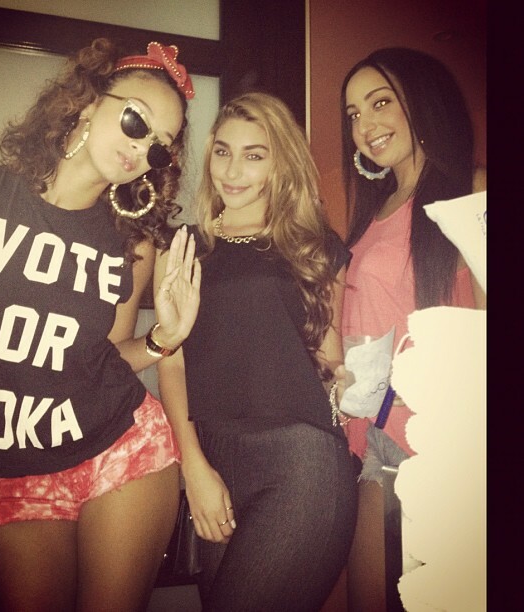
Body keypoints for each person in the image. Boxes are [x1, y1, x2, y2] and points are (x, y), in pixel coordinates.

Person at [0, 39, 202, 611]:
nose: (143, 147)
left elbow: (103, 359)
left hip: (121, 448)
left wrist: (164, 338)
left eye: (159, 145)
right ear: (89, 102)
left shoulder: (130, 243)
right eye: (136, 120)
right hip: (21, 467)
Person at [154, 91, 358, 611]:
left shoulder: (314, 245)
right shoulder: (184, 246)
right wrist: (193, 466)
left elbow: (328, 356)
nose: (232, 170)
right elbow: (172, 361)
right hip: (215, 458)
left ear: (279, 163)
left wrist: (353, 380)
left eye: (254, 155)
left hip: (301, 459)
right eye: (223, 151)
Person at [335, 47, 487, 611]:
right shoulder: (375, 208)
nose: (364, 126)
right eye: (354, 114)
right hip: (367, 431)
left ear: (420, 102)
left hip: (432, 438)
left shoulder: (471, 189)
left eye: (380, 103)